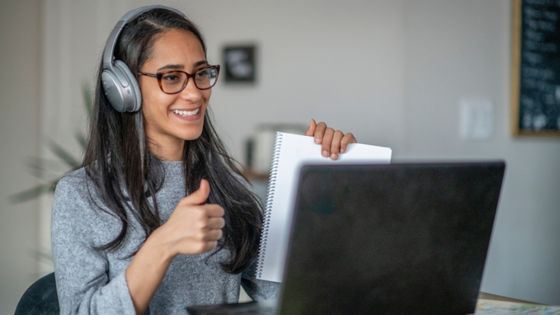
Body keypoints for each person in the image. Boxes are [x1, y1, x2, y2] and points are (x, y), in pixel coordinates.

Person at [51, 5, 356, 315]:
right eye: (171, 77)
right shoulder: (81, 194)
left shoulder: (229, 187)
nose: (195, 93)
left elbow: (288, 299)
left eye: (201, 73)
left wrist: (328, 189)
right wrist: (163, 244)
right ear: (123, 88)